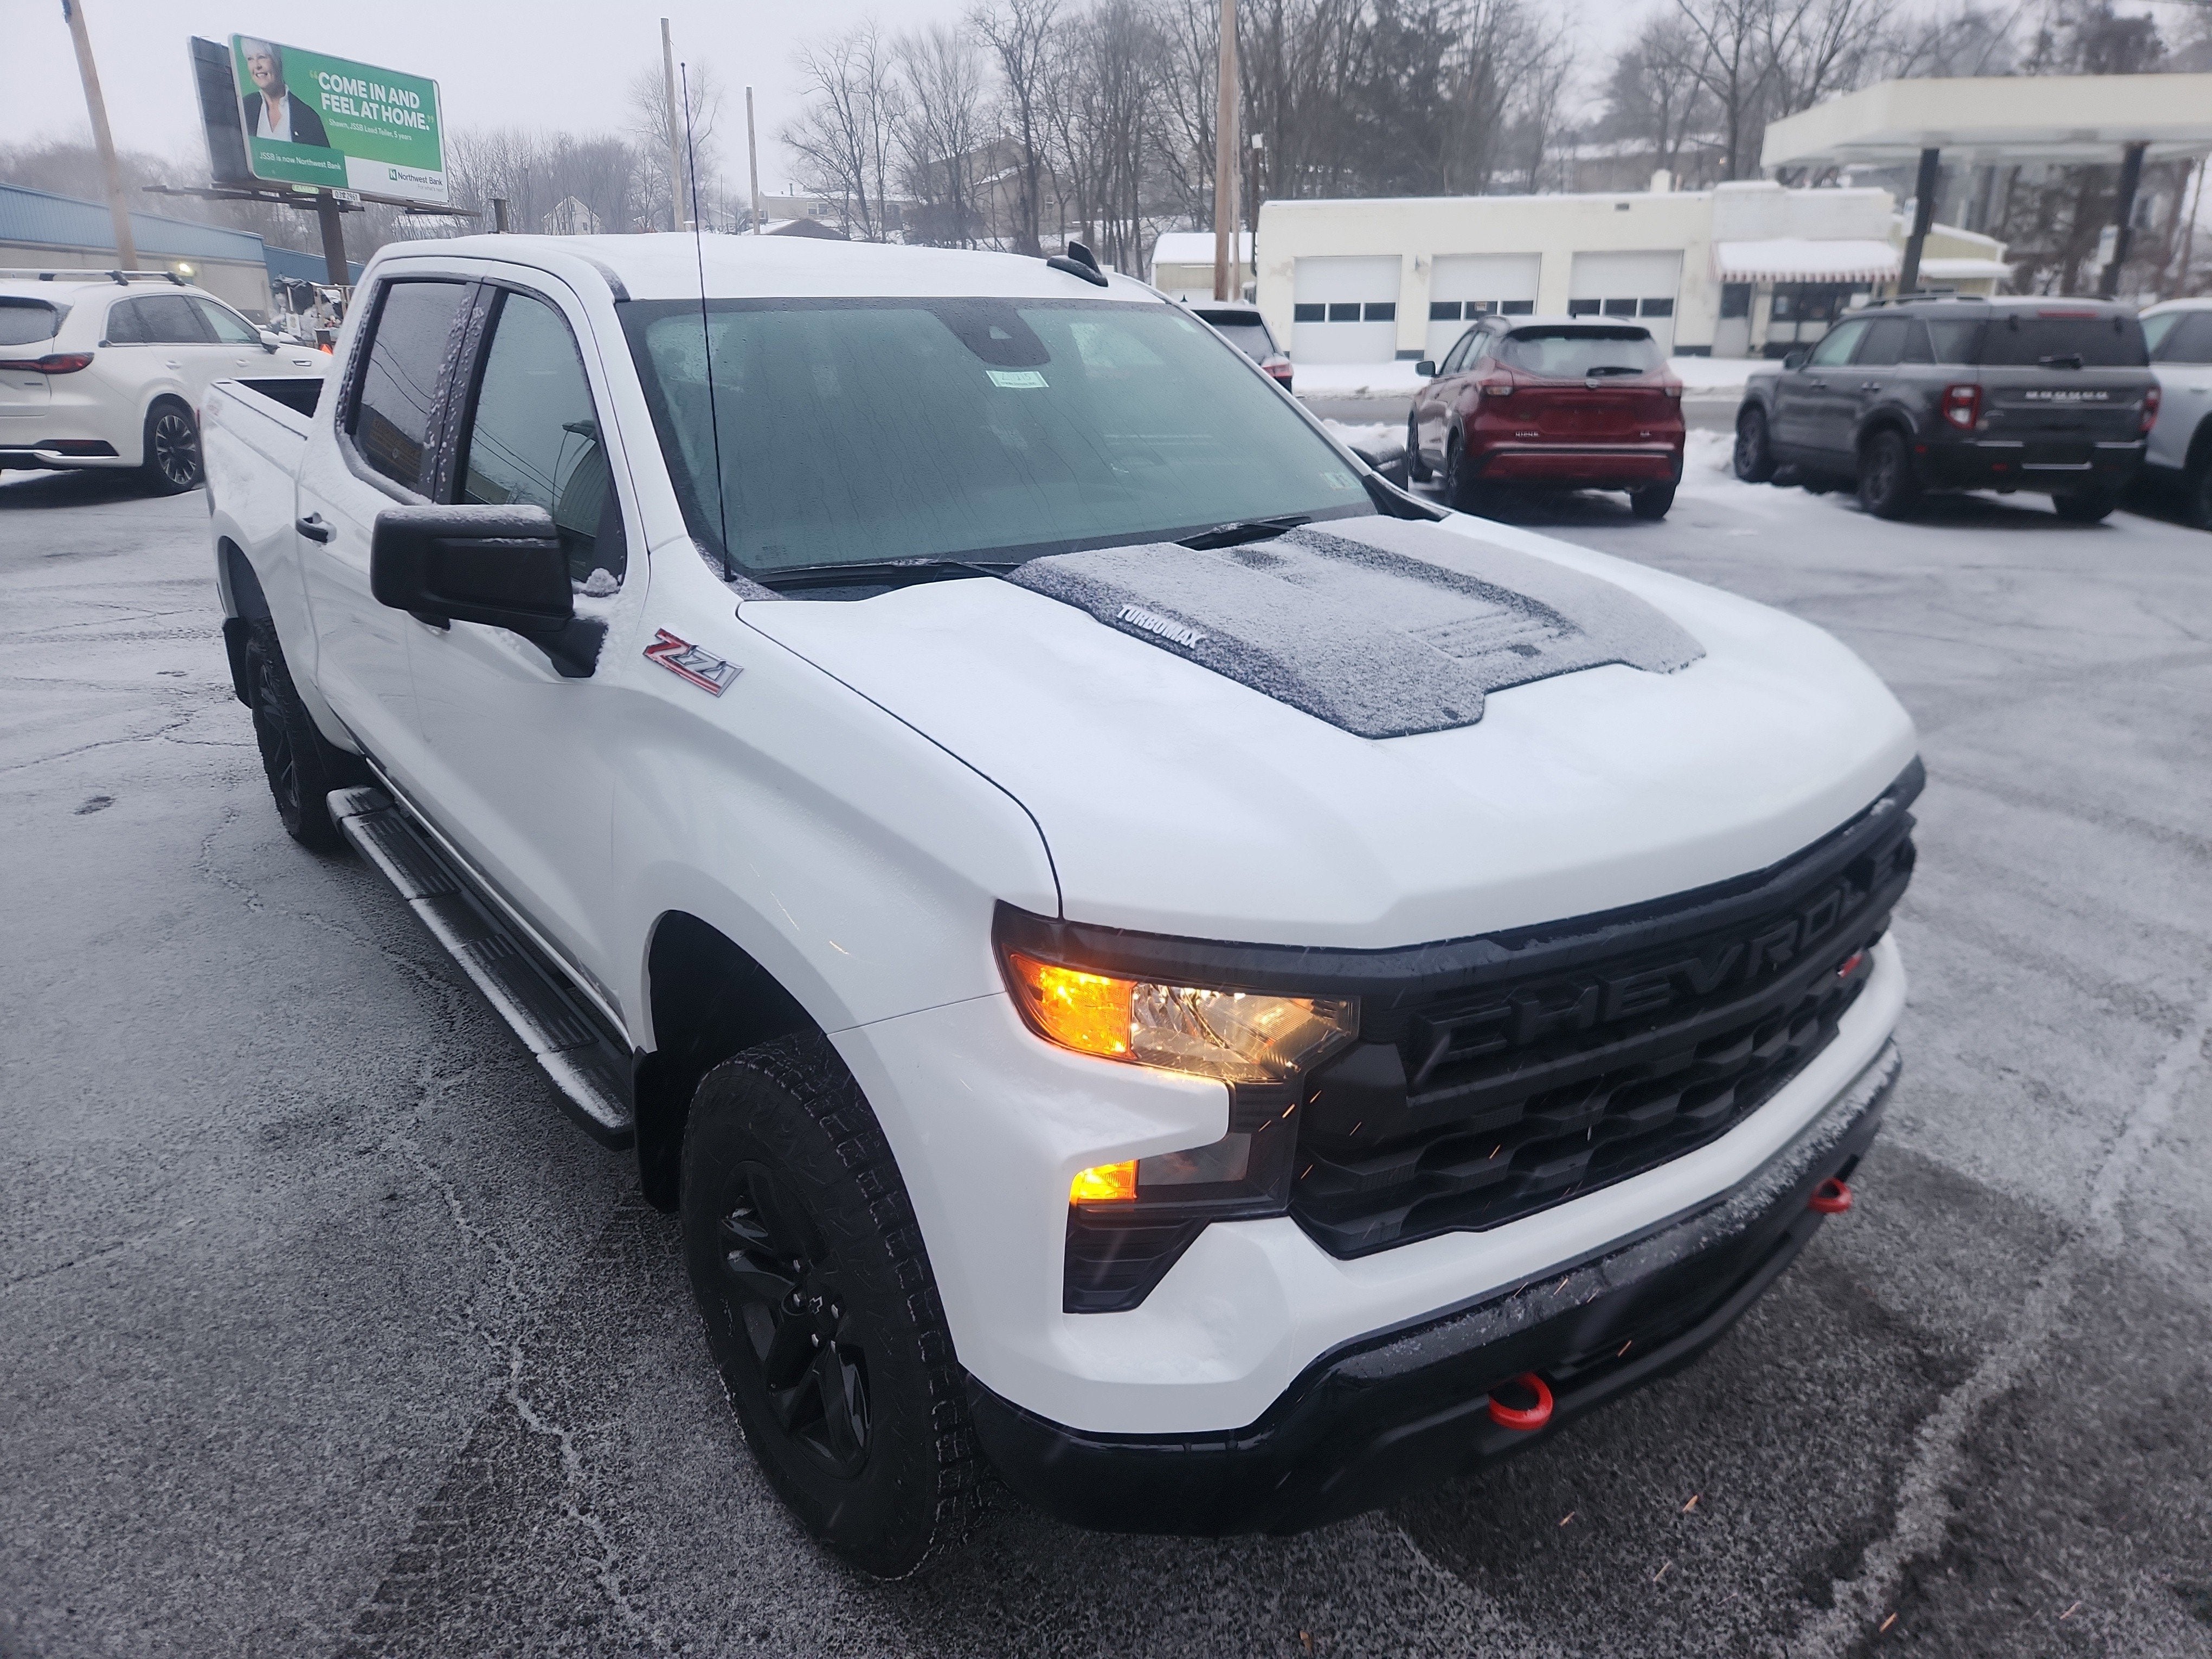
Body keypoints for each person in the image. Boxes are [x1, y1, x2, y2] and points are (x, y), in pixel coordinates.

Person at [240, 40, 330, 149]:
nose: (257, 66)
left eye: (262, 57)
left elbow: (324, 163)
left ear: (278, 61)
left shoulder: (308, 117)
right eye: (250, 59)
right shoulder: (244, 107)